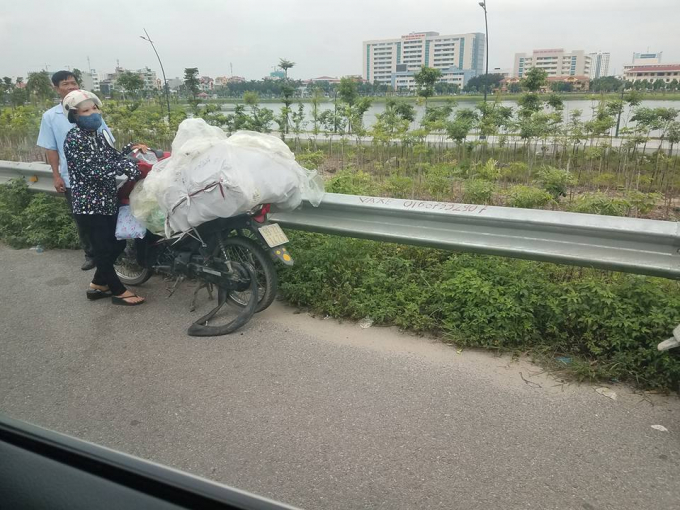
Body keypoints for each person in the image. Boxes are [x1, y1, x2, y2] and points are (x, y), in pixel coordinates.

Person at [62, 90, 146, 306]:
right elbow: (92, 170)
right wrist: (125, 167)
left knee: (116, 245)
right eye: (86, 111)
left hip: (107, 199)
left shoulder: (98, 136)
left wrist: (131, 150)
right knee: (103, 248)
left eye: (95, 108)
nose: (94, 113)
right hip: (89, 203)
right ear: (75, 116)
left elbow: (113, 157)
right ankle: (118, 291)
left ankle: (98, 285)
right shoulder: (74, 138)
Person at [37, 71, 115, 270]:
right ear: (56, 88)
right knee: (84, 220)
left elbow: (106, 138)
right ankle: (92, 255)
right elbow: (51, 149)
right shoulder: (51, 117)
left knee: (106, 218)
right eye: (65, 84)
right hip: (74, 178)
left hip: (101, 174)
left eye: (73, 83)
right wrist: (56, 176)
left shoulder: (90, 110)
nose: (71, 86)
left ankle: (106, 256)